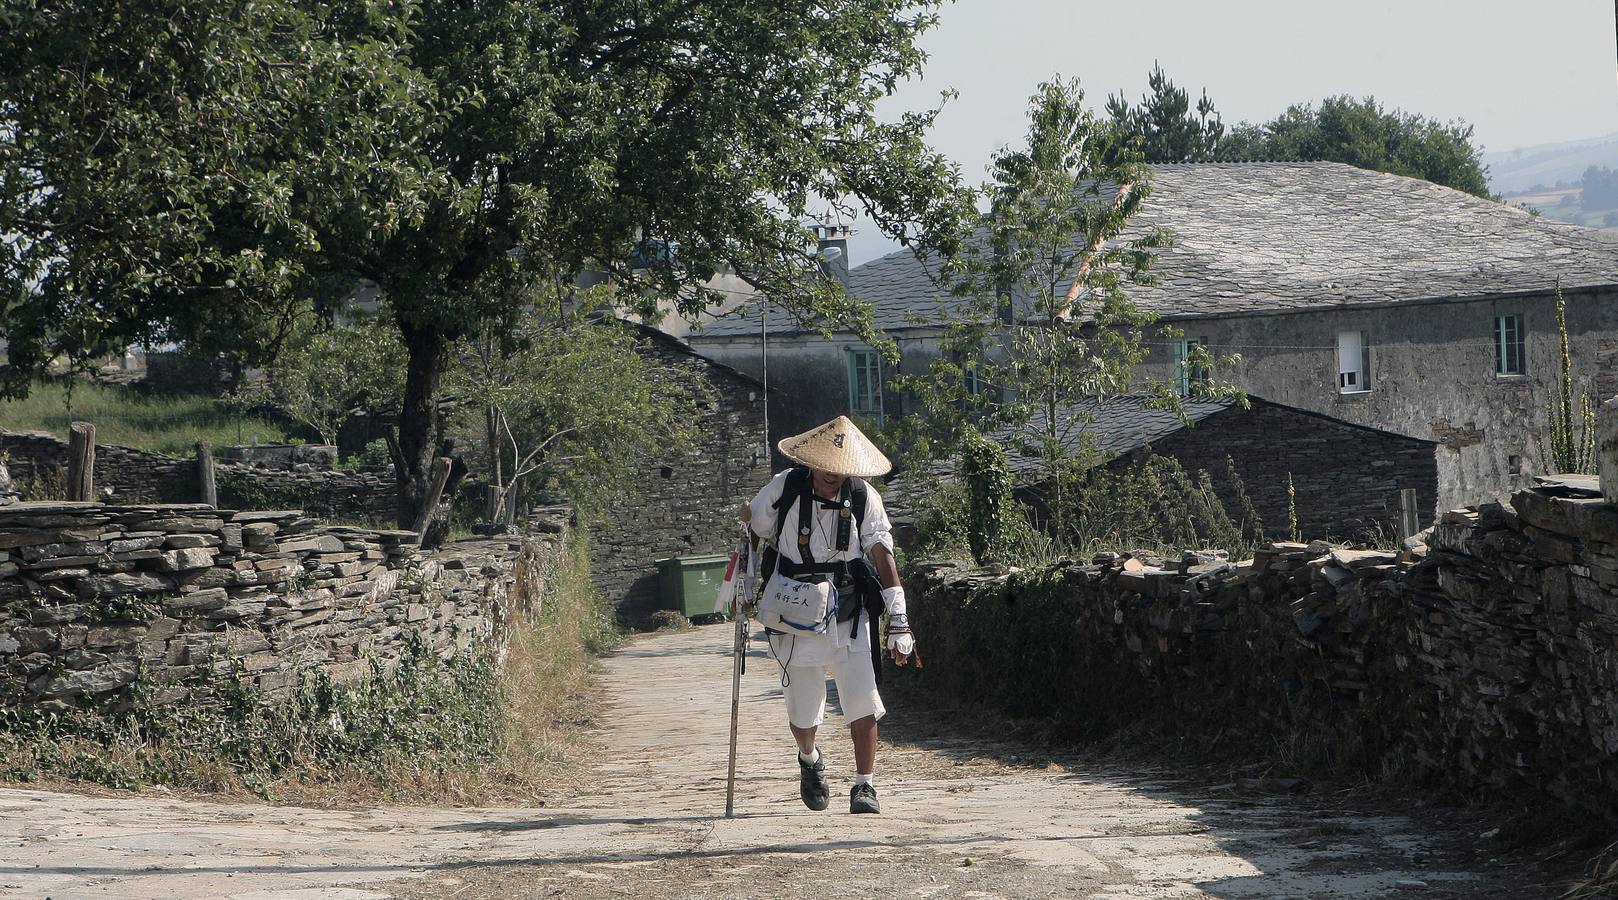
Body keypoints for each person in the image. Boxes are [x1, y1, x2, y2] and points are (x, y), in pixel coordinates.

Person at [739, 415, 916, 815]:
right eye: (825, 467)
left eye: (839, 469)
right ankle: (809, 758)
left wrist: (899, 619)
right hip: (793, 612)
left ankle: (864, 785)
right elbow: (754, 530)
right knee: (803, 710)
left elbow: (882, 555)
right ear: (811, 463)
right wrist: (745, 586)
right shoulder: (784, 487)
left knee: (863, 700)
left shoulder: (864, 496)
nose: (831, 475)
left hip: (849, 611)